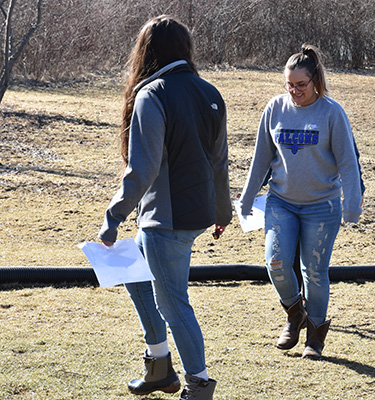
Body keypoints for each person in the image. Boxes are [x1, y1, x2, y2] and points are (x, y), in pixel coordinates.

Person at [98, 15, 231, 400]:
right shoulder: (209, 92)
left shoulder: (151, 94)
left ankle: (200, 385)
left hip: (166, 220)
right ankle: (158, 367)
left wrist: (112, 217)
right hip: (191, 215)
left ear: (145, 51)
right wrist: (221, 213)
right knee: (138, 278)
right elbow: (220, 162)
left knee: (173, 303)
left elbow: (143, 168)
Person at [239, 44, 363, 359]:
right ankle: (295, 314)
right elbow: (261, 159)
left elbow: (348, 162)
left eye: (301, 85)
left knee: (315, 270)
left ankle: (315, 338)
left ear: (315, 80)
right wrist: (247, 197)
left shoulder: (331, 111)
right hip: (281, 201)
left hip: (322, 205)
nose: (295, 91)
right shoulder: (275, 109)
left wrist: (353, 202)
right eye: (290, 85)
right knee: (275, 262)